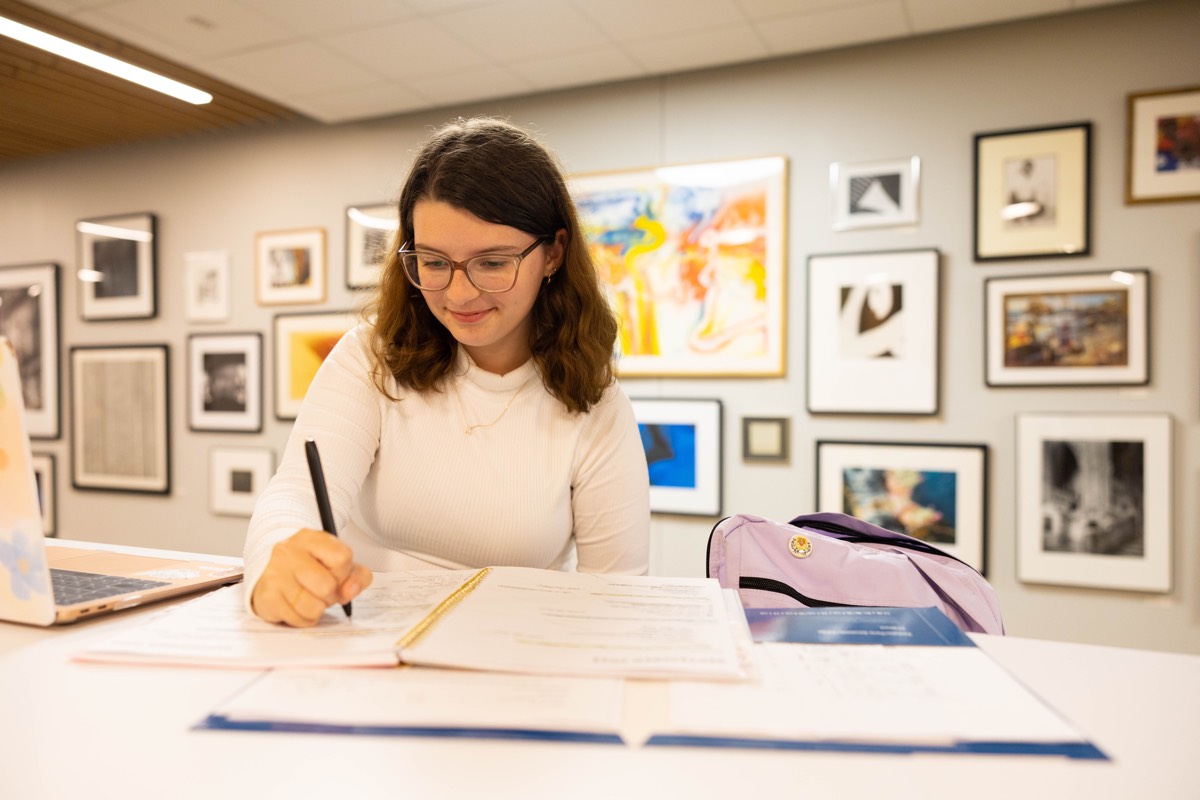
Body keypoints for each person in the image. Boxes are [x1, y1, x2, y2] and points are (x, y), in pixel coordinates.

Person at [244, 117, 651, 627]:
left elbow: (614, 596)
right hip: (369, 644)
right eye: (434, 262)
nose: (459, 294)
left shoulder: (597, 404)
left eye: (492, 263)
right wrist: (276, 563)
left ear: (553, 252)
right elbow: (294, 498)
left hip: (517, 653)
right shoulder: (369, 359)